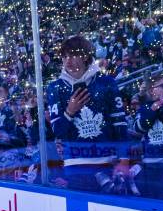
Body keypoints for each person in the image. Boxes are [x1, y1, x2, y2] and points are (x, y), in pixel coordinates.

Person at [46, 35, 129, 192]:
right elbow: (58, 131)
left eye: (73, 55)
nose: (68, 61)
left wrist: (124, 159)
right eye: (64, 56)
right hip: (75, 165)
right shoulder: (55, 88)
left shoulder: (106, 83)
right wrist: (70, 111)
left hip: (107, 163)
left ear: (85, 56)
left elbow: (120, 124)